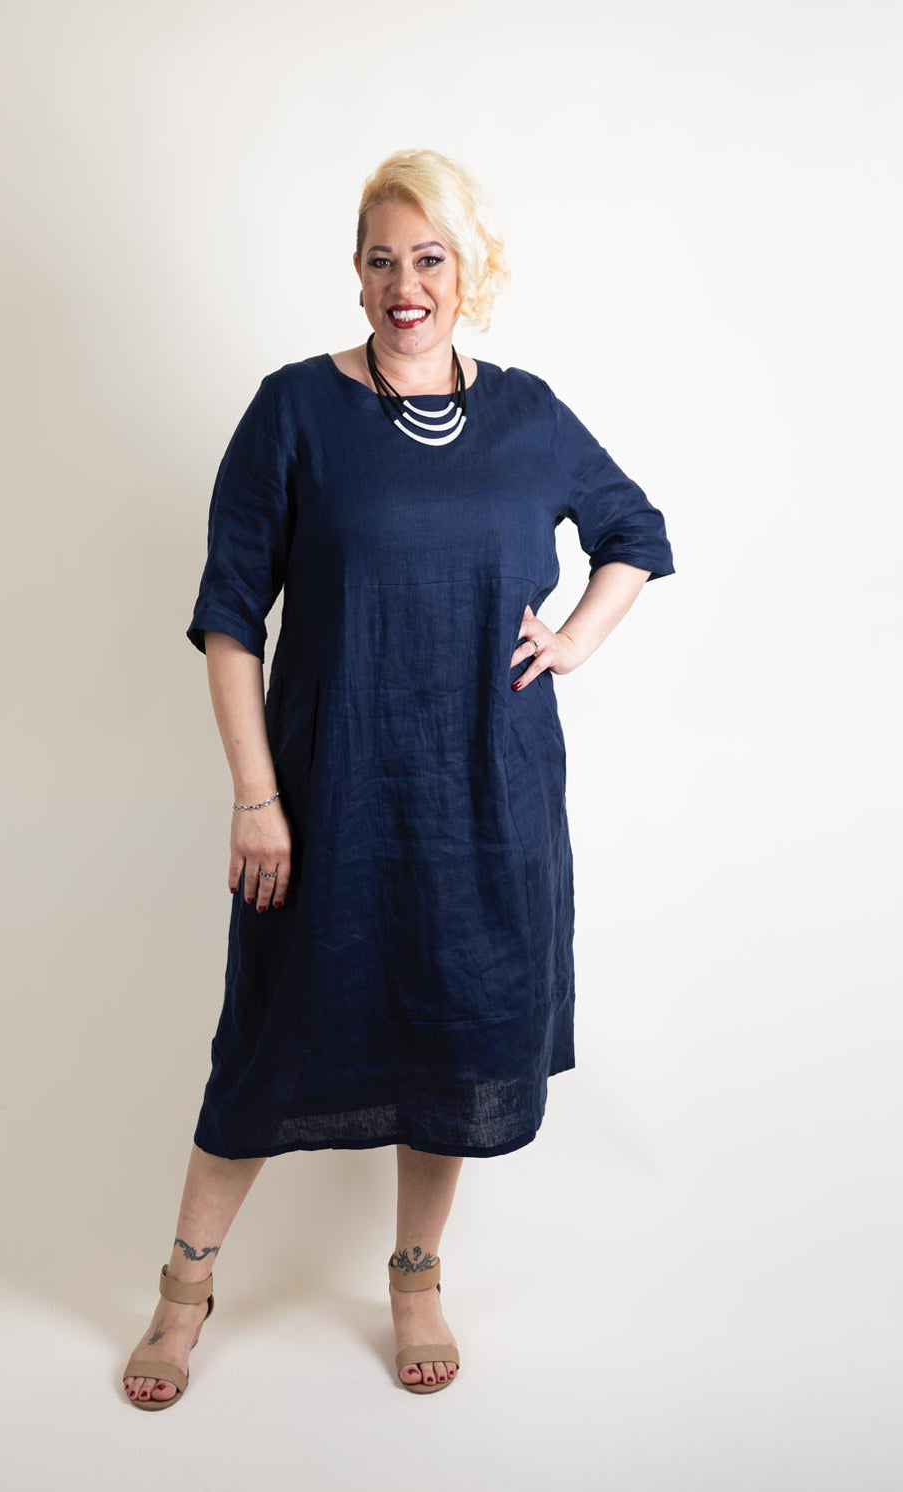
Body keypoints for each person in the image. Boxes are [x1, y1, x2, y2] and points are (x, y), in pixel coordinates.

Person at [122, 148, 676, 1409]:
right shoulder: (294, 411)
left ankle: (415, 1274)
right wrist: (256, 797)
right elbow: (228, 619)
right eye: (381, 260)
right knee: (265, 1043)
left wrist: (573, 638)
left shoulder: (530, 416)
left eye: (429, 258)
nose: (404, 284)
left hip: (488, 801)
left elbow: (635, 534)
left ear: (469, 269)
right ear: (357, 272)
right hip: (330, 801)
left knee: (457, 1035)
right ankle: (182, 1289)